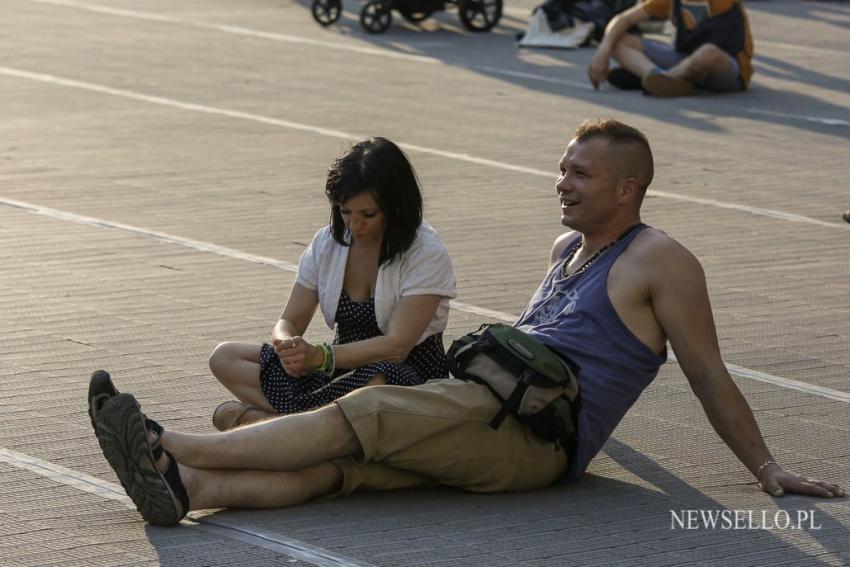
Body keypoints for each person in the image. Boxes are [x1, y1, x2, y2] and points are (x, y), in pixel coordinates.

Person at [88, 119, 844, 527]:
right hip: (489, 407)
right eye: (561, 167)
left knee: (368, 408)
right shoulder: (567, 248)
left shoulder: (661, 259)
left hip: (530, 433)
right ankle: (186, 484)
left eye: (578, 173)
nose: (561, 182)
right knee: (345, 469)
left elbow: (706, 370)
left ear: (627, 186)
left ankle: (166, 440)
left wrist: (767, 468)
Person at [204, 137, 455, 430]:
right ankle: (307, 426)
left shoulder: (425, 252)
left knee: (380, 380)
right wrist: (288, 347)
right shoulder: (327, 243)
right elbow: (290, 319)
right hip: (334, 371)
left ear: (396, 206)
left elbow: (397, 347)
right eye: (345, 211)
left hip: (400, 376)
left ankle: (275, 426)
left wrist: (321, 357)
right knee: (225, 356)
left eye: (368, 214)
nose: (354, 225)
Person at [587, 0, 753, 97]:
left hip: (724, 68)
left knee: (708, 52)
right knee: (617, 41)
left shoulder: (724, 3)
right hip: (683, 59)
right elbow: (623, 19)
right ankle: (657, 77)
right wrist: (603, 51)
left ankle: (659, 79)